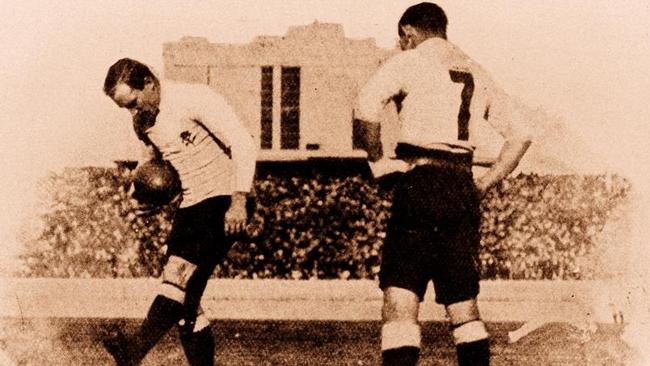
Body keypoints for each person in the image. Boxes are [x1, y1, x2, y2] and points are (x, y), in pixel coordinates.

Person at [354, 3, 532, 366]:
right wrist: (484, 183)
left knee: (400, 300)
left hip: (421, 181)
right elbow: (521, 135)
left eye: (401, 37)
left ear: (409, 32)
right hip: (461, 185)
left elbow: (365, 107)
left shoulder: (409, 61)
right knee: (463, 305)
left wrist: (378, 161)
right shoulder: (476, 69)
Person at [101, 58, 256, 366]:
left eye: (133, 103)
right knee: (187, 304)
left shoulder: (195, 98)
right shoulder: (143, 121)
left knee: (177, 277)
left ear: (149, 83)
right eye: (125, 109)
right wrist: (140, 193)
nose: (132, 112)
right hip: (190, 206)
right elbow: (153, 161)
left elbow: (243, 142)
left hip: (222, 198)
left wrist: (239, 200)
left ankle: (132, 354)